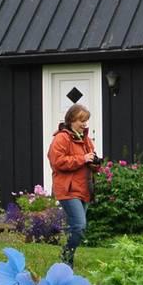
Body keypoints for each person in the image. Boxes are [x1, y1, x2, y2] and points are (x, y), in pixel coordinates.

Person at [47, 103, 98, 269]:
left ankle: (66, 263)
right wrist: (82, 159)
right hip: (68, 189)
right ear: (71, 120)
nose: (84, 124)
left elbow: (91, 161)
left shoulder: (85, 139)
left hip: (84, 189)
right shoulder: (62, 138)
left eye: (86, 120)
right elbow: (57, 162)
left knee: (76, 228)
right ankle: (65, 256)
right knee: (79, 225)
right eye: (81, 120)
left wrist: (95, 162)